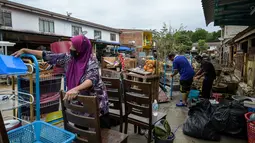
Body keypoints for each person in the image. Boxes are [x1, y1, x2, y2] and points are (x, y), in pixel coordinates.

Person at [12, 35, 110, 128]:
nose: (70, 48)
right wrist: (25, 50)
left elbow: (91, 79)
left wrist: (75, 89)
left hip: (97, 104)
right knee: (81, 131)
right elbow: (48, 55)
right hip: (79, 104)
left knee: (102, 132)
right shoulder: (69, 58)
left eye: (73, 46)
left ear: (80, 49)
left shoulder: (91, 60)